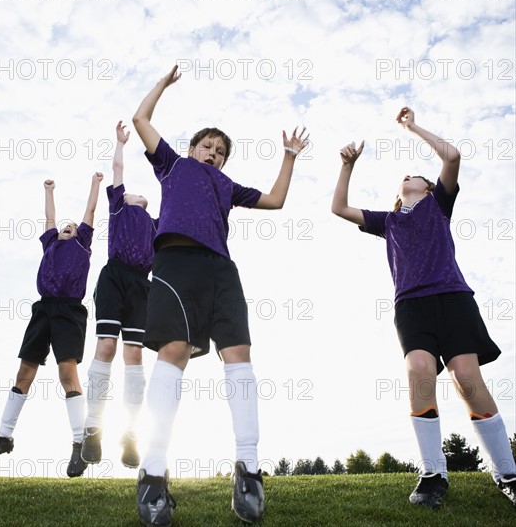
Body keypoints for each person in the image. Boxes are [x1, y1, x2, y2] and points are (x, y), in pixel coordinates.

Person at [132, 64, 309, 525]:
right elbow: (140, 121)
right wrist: (161, 85)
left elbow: (275, 201)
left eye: (221, 152)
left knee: (239, 353)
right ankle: (152, 476)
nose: (213, 154)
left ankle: (248, 471)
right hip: (175, 265)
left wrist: (289, 156)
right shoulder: (172, 164)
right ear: (193, 148)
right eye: (207, 146)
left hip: (220, 271)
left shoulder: (227, 186)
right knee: (173, 352)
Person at [331, 106, 516, 509]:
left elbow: (451, 157)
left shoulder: (438, 207)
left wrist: (412, 127)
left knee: (467, 378)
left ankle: (507, 474)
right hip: (411, 307)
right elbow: (339, 208)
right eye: (404, 177)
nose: (406, 176)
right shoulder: (389, 222)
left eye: (414, 174)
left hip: (453, 299)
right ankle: (433, 474)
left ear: (429, 188)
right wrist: (347, 166)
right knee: (418, 369)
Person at [0, 173, 104, 478]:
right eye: (64, 226)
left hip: (70, 311)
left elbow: (89, 212)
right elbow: (50, 217)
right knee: (25, 371)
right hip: (43, 308)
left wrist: (95, 185)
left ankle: (78, 445)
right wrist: (49, 190)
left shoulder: (83, 244)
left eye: (72, 227)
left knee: (66, 372)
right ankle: (3, 437)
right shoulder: (51, 242)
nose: (68, 227)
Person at [82, 121, 157, 469]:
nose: (136, 193)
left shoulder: (156, 224)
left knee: (134, 355)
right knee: (106, 347)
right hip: (114, 278)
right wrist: (120, 143)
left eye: (142, 193)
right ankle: (93, 428)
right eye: (131, 191)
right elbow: (118, 168)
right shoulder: (118, 207)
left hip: (142, 283)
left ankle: (129, 434)